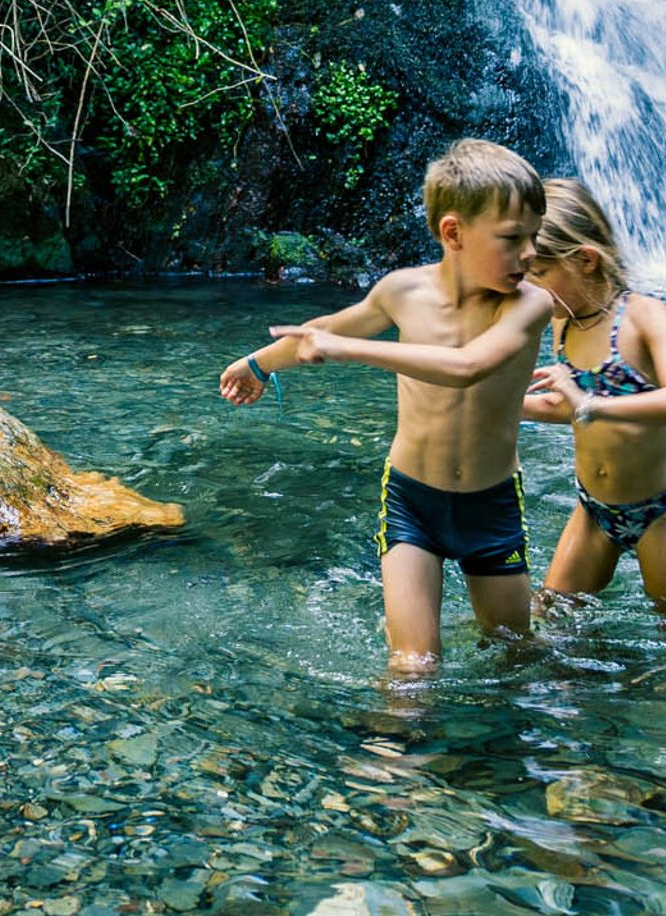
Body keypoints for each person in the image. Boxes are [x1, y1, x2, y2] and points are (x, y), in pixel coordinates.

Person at [217, 138, 557, 666]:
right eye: (513, 238)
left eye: (533, 237)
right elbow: (325, 329)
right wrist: (257, 364)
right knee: (412, 666)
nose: (531, 254)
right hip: (412, 502)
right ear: (453, 233)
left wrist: (345, 350)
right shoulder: (401, 291)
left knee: (514, 655)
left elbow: (468, 368)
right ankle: (394, 746)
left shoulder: (531, 304)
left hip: (490, 505)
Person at [519, 178, 666, 610]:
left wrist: (590, 404)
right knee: (552, 615)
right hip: (593, 510)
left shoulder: (642, 317)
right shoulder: (563, 321)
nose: (528, 285)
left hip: (659, 511)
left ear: (585, 259)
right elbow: (566, 407)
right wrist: (494, 406)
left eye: (539, 273)